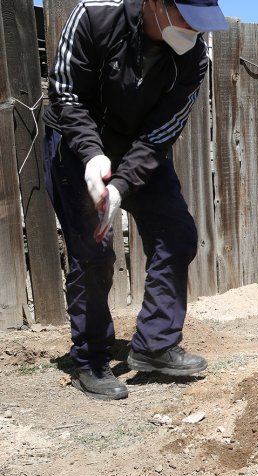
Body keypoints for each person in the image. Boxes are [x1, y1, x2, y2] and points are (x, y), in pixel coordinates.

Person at [42, 0, 228, 400]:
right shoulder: (95, 16)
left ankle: (155, 345)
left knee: (177, 234)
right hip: (75, 145)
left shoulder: (194, 56)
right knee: (94, 250)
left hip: (140, 148)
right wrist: (92, 156)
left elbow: (163, 131)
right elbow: (65, 94)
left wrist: (122, 185)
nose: (194, 32)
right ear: (156, 4)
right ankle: (90, 360)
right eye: (187, 20)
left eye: (202, 24)